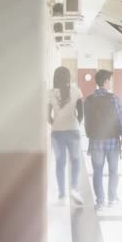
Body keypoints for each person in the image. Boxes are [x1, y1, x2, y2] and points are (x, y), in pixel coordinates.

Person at [84, 70, 122, 210]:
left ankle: (100, 201)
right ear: (106, 81)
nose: (111, 82)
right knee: (113, 170)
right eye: (110, 80)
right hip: (112, 141)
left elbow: (87, 121)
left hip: (96, 141)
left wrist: (90, 135)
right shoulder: (114, 98)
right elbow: (120, 118)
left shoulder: (89, 99)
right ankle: (112, 198)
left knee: (97, 171)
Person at [48, 66, 84, 205]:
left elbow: (47, 116)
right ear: (68, 77)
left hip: (56, 132)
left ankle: (62, 193)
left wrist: (56, 124)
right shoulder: (76, 91)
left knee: (60, 163)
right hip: (73, 130)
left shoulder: (50, 93)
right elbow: (81, 114)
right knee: (75, 161)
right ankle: (74, 188)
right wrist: (75, 124)